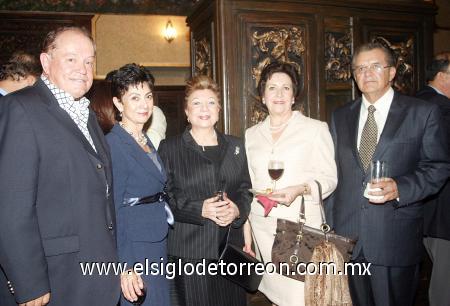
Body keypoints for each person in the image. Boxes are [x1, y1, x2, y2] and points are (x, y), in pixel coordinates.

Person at [0, 27, 120, 306]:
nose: (83, 69)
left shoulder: (88, 115)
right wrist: (28, 283)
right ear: (45, 62)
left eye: (89, 61)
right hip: (55, 282)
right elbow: (10, 208)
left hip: (96, 277)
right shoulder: (20, 108)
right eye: (71, 59)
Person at [328, 42, 449, 306]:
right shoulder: (340, 117)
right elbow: (334, 174)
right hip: (348, 239)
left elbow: (438, 166)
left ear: (392, 72)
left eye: (375, 66)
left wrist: (401, 188)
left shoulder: (422, 112)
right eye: (359, 68)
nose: (366, 73)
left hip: (394, 237)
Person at [243, 61, 338, 306]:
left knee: (300, 298)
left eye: (285, 88)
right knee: (275, 298)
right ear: (263, 96)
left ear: (294, 96)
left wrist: (300, 189)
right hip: (263, 229)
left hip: (300, 230)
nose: (279, 94)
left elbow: (329, 178)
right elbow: (248, 183)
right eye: (272, 88)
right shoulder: (251, 135)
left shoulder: (315, 129)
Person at [158, 75, 252, 306]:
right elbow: (164, 198)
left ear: (219, 110)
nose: (204, 108)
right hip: (190, 252)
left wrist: (237, 210)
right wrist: (200, 209)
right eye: (197, 103)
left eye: (211, 102)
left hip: (230, 250)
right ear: (187, 112)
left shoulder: (236, 145)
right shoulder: (170, 148)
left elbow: (245, 189)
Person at [106, 63, 170, 306]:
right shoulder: (114, 144)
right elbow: (114, 208)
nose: (144, 104)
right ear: (118, 104)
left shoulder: (144, 138)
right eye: (134, 97)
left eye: (148, 96)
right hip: (134, 245)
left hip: (155, 237)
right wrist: (126, 266)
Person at [416, 52, 450, 306]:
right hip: (443, 211)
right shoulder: (442, 107)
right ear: (442, 76)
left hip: (423, 210)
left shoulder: (414, 102)